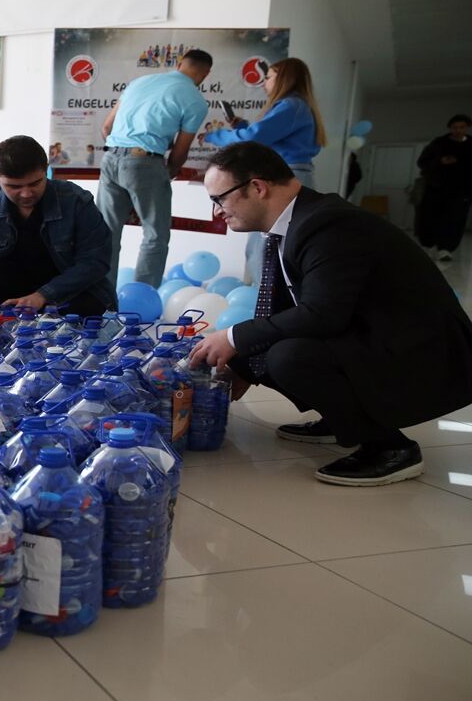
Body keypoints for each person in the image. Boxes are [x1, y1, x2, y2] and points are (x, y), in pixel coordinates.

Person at [189, 142, 472, 486]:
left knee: (288, 356)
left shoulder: (327, 224)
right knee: (263, 345)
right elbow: (285, 310)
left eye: (218, 199)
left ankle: (390, 448)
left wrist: (234, 337)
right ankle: (341, 418)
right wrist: (243, 363)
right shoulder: (296, 222)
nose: (216, 212)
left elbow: (324, 314)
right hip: (379, 336)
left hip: (426, 355)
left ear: (257, 187)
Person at [0, 135, 115, 317]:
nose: (26, 194)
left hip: (64, 289)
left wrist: (43, 296)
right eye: (14, 186)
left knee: (88, 306)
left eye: (35, 183)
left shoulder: (76, 201)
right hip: (9, 288)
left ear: (46, 170)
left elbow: (95, 261)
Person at [97, 49, 212, 288]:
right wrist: (167, 173)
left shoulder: (140, 81)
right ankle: (142, 299)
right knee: (155, 235)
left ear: (180, 64)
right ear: (206, 73)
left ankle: (101, 297)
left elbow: (107, 127)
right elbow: (181, 151)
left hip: (110, 158)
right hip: (145, 162)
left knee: (105, 234)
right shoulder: (195, 99)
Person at [206, 57, 326, 284]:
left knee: (263, 246)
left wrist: (215, 136)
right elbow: (263, 139)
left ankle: (267, 306)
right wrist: (241, 127)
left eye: (268, 77)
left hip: (284, 179)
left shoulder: (291, 106)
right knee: (276, 245)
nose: (263, 83)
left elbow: (253, 139)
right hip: (295, 175)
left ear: (284, 78)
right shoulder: (299, 107)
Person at [415, 114, 472, 261]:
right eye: (455, 127)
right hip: (437, 187)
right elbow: (422, 162)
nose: (458, 130)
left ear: (467, 128)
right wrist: (440, 161)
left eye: (462, 127)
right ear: (450, 128)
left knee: (455, 219)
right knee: (429, 216)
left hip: (461, 190)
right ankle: (427, 245)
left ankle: (445, 249)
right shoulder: (439, 143)